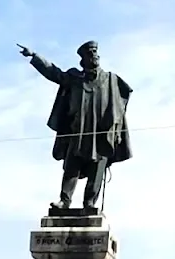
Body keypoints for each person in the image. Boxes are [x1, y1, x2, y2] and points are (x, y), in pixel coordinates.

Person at [18, 40, 132, 210]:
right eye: (90, 53)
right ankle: (64, 201)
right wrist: (35, 56)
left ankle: (89, 203)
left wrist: (116, 129)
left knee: (97, 168)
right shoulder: (74, 79)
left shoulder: (111, 80)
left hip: (101, 132)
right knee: (72, 166)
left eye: (95, 52)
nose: (94, 55)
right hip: (78, 130)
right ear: (83, 60)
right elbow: (54, 73)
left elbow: (121, 103)